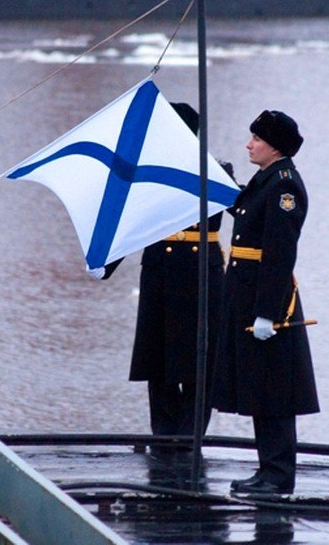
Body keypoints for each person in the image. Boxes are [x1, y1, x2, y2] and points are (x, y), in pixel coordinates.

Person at [94, 103, 231, 453]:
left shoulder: (215, 171)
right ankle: (164, 437)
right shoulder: (146, 174)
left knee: (199, 361)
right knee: (159, 360)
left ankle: (189, 439)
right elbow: (132, 223)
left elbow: (249, 211)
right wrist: (104, 263)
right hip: (160, 272)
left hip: (201, 275)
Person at [211, 109, 319, 494]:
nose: (248, 144)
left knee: (275, 391)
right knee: (260, 386)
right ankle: (266, 470)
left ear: (274, 146)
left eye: (256, 138)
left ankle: (278, 475)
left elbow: (278, 253)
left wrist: (266, 314)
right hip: (247, 294)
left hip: (266, 300)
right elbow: (243, 211)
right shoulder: (266, 179)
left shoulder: (284, 186)